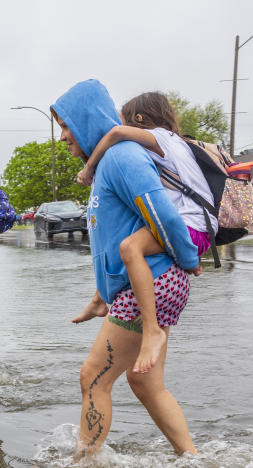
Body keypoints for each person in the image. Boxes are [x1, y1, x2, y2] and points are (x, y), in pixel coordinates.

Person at [51, 79, 199, 459]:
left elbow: (164, 215)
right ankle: (195, 462)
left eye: (67, 126)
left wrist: (188, 259)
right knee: (146, 383)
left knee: (93, 376)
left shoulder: (122, 157)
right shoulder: (104, 167)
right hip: (146, 284)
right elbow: (113, 240)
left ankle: (86, 466)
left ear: (87, 121)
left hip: (152, 281)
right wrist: (101, 295)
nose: (64, 136)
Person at [72, 92, 212, 375]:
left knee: (129, 248)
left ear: (138, 120)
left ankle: (151, 331)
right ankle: (100, 300)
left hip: (192, 226)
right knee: (124, 242)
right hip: (199, 227)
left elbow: (115, 133)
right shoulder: (177, 146)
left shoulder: (162, 138)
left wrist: (89, 168)